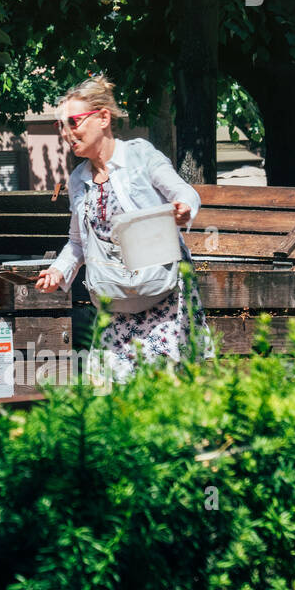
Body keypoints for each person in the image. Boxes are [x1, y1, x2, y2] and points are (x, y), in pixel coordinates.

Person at [34, 74, 208, 379]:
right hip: (115, 302)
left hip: (163, 297)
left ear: (103, 118)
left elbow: (185, 193)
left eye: (73, 122)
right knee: (111, 395)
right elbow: (78, 242)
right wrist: (58, 271)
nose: (66, 133)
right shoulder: (77, 180)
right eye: (61, 126)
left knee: (163, 392)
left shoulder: (139, 155)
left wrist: (183, 209)